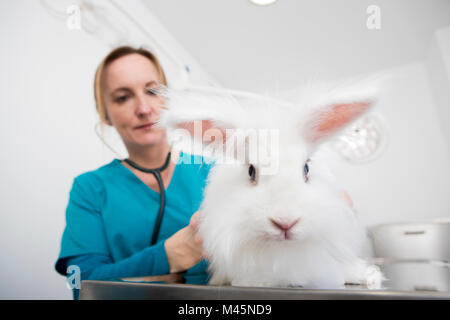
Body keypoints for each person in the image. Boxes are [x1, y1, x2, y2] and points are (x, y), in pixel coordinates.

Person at [54, 46, 213, 299]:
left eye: (152, 91)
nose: (143, 108)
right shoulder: (90, 189)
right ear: (105, 114)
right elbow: (81, 285)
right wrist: (168, 256)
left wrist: (126, 277)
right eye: (122, 97)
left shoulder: (212, 172)